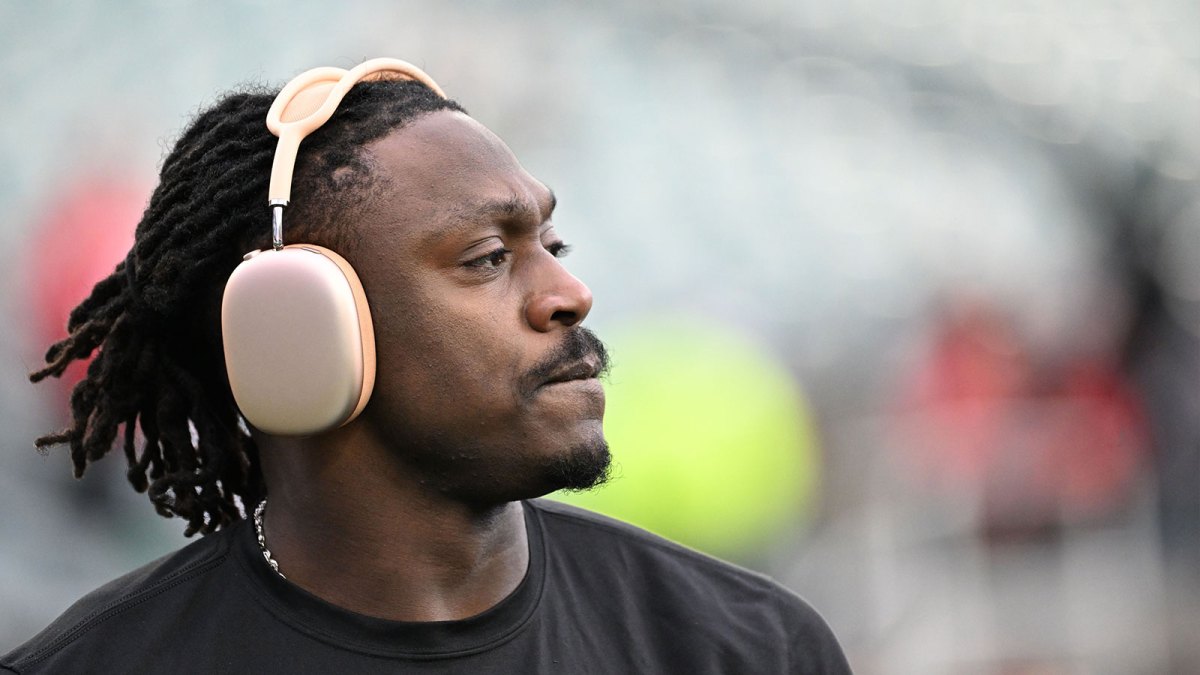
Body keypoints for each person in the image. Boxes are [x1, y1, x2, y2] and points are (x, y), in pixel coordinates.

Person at [2, 58, 851, 674]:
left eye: (552, 243)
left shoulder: (746, 648)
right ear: (300, 329)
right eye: (488, 256)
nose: (570, 293)